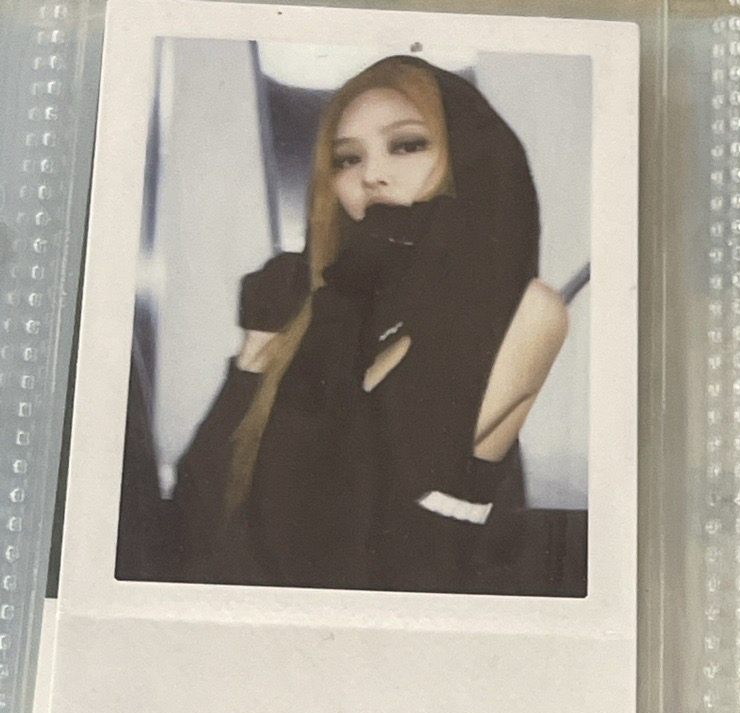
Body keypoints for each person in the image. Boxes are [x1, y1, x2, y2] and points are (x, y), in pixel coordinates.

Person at [172, 56, 571, 594]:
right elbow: (202, 507)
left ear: (469, 156)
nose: (371, 175)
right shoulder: (327, 312)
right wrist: (259, 351)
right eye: (347, 159)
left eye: (407, 145)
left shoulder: (527, 312)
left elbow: (382, 503)